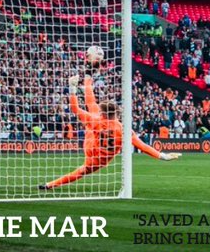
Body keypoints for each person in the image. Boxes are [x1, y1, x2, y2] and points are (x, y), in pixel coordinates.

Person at [39, 71, 181, 191]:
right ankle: (50, 185)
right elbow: (143, 147)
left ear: (104, 113)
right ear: (116, 114)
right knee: (80, 172)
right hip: (98, 161)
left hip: (90, 146)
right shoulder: (124, 130)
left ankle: (87, 78)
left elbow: (75, 109)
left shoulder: (96, 121)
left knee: (91, 108)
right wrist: (163, 156)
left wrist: (72, 88)